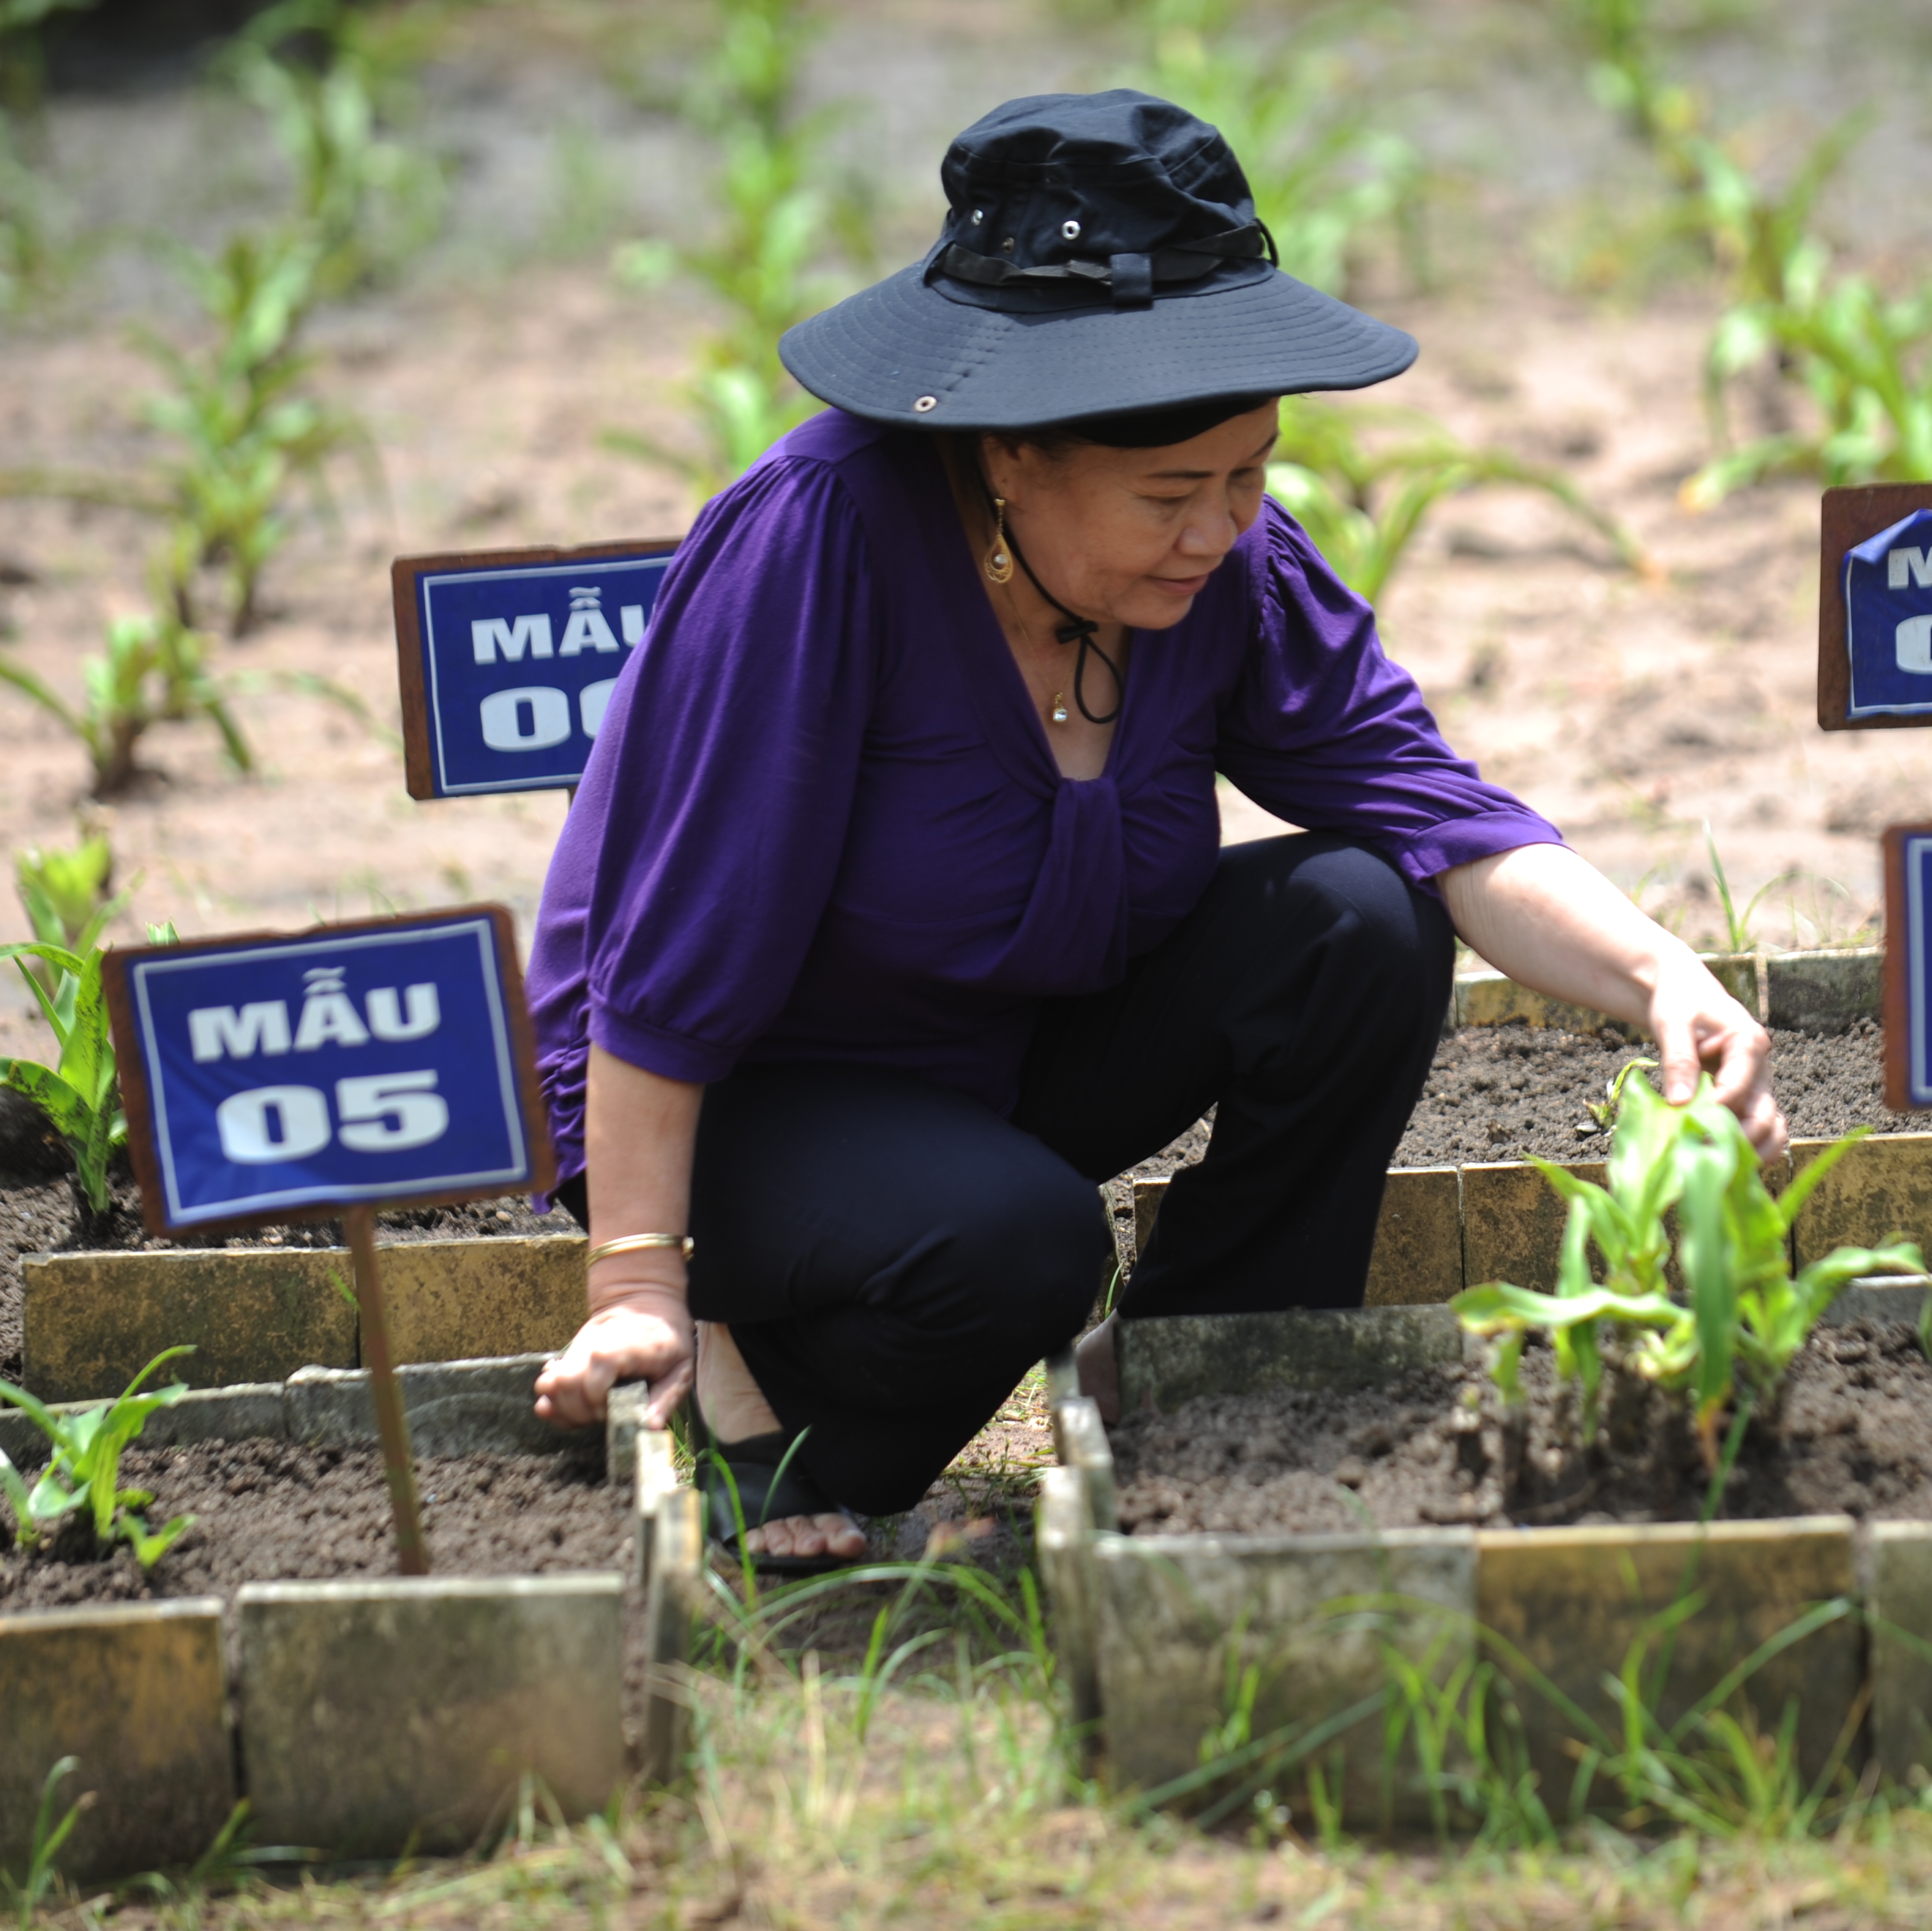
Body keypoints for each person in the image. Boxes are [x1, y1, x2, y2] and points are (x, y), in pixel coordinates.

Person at [527, 89, 1785, 1572]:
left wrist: (1662, 982)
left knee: (1356, 919)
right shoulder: (821, 543)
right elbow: (672, 957)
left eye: (1252, 472)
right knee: (1026, 1242)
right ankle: (753, 1404)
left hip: (1007, 1038)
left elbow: (1432, 811)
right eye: (1173, 492)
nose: (1226, 525)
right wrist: (637, 1272)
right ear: (1009, 454)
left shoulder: (1223, 568)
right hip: (750, 1097)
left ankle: (1200, 1381)